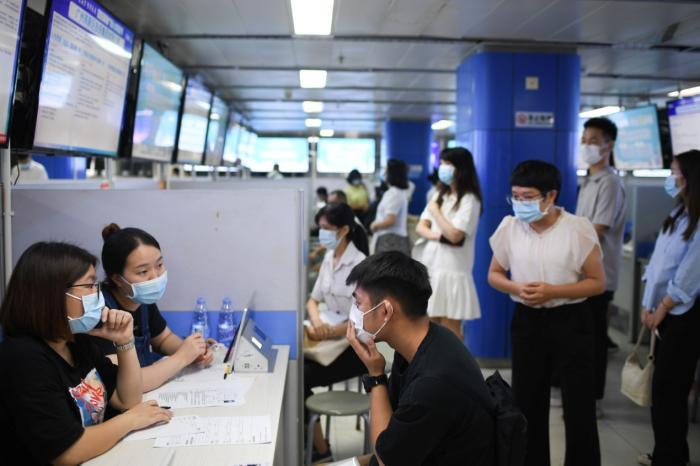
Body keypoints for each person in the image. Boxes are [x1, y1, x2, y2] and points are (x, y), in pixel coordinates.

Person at [0, 242, 172, 465]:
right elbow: (67, 452)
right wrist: (130, 420)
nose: (97, 295)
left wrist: (124, 341)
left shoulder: (75, 341)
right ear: (53, 294)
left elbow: (127, 399)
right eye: (90, 285)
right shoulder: (23, 358)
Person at [488, 160, 605, 466]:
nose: (520, 204)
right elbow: (494, 274)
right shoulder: (510, 227)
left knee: (578, 404)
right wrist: (516, 287)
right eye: (515, 196)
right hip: (527, 321)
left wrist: (553, 291)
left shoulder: (576, 228)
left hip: (571, 320)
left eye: (527, 197)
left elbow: (597, 282)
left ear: (550, 196)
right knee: (527, 402)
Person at [341, 251, 495, 466]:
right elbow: (393, 433)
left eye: (358, 304)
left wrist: (376, 376)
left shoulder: (433, 382)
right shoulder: (426, 340)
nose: (354, 312)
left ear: (385, 311)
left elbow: (385, 460)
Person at [92, 224, 214, 392]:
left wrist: (194, 351)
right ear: (118, 279)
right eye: (143, 272)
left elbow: (163, 339)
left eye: (159, 265)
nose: (155, 277)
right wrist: (181, 357)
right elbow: (127, 384)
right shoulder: (100, 313)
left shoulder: (141, 299)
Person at [637, 150, 700, 466]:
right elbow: (658, 265)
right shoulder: (678, 214)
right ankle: (667, 451)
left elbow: (690, 274)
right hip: (663, 311)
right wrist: (647, 304)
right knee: (661, 388)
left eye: (674, 172)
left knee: (670, 389)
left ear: (691, 178)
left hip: (684, 315)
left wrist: (661, 307)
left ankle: (670, 456)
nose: (670, 178)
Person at [305, 202, 370, 462]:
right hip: (330, 342)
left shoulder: (361, 265)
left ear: (343, 230)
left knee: (300, 379)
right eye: (320, 227)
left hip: (354, 349)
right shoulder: (329, 259)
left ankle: (321, 450)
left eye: (326, 228)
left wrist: (330, 331)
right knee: (295, 370)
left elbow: (364, 319)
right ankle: (314, 442)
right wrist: (317, 323)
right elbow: (313, 300)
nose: (322, 233)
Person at [576, 117, 626, 416]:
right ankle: (582, 394)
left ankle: (592, 399)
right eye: (584, 140)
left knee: (594, 340)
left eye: (593, 141)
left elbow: (597, 228)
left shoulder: (609, 183)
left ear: (609, 145)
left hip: (598, 275)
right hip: (582, 274)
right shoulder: (589, 180)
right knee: (582, 338)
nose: (587, 146)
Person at [415, 147, 483, 339]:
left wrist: (436, 212)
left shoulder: (470, 200)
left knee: (450, 332)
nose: (442, 168)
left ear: (461, 168)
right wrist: (440, 236)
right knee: (429, 330)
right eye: (442, 163)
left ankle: (452, 361)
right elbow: (420, 227)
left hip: (453, 269)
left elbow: (455, 236)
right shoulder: (439, 194)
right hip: (432, 267)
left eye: (447, 164)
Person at [370, 159, 410, 256]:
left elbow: (390, 220)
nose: (384, 173)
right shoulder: (399, 192)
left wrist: (374, 225)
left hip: (390, 240)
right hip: (393, 239)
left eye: (386, 170)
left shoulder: (393, 193)